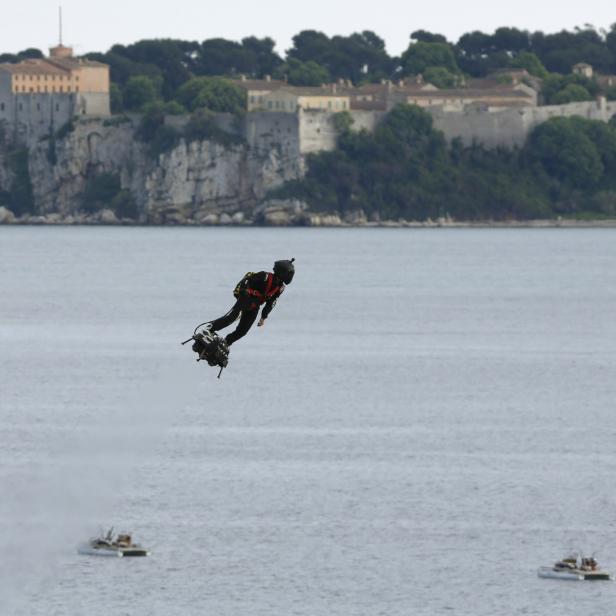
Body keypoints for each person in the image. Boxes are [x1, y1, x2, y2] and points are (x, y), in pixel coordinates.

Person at [208, 259, 295, 346]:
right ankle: (210, 329)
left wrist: (263, 317)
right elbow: (248, 280)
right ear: (283, 272)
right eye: (289, 274)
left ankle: (226, 343)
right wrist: (243, 291)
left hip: (255, 306)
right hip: (246, 298)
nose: (290, 277)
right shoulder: (265, 276)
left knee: (243, 330)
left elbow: (271, 303)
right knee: (232, 317)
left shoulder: (280, 288)